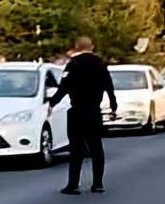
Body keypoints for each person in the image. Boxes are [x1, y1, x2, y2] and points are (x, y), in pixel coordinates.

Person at [48, 37, 116, 195]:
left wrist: (52, 103)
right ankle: (97, 183)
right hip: (94, 111)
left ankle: (73, 185)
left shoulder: (73, 65)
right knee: (96, 148)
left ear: (77, 48)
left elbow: (63, 88)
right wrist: (113, 107)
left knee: (76, 149)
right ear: (92, 47)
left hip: (77, 112)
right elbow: (109, 87)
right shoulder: (100, 64)